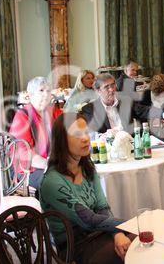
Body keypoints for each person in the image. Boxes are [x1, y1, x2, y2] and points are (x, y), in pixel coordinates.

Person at [40, 112, 133, 263]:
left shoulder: (87, 168)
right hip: (74, 248)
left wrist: (117, 234)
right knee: (133, 249)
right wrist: (129, 224)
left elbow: (102, 207)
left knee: (139, 243)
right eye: (77, 134)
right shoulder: (52, 182)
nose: (85, 138)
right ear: (61, 140)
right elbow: (88, 219)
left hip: (98, 233)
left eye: (86, 132)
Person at [9, 77, 62, 189]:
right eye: (41, 90)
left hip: (52, 164)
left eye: (48, 91)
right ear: (30, 95)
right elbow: (26, 154)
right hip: (28, 170)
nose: (46, 94)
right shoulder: (23, 116)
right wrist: (53, 165)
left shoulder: (54, 112)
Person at [80, 73, 164, 134]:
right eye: (107, 87)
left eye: (113, 85)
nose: (112, 89)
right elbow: (93, 135)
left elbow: (145, 110)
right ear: (98, 91)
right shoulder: (89, 109)